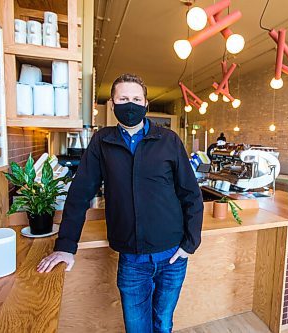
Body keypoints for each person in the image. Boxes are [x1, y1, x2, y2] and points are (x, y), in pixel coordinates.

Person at [36, 73, 204, 333]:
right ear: (113, 105)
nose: (131, 104)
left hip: (173, 255)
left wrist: (189, 244)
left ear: (146, 104)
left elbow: (191, 194)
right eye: (123, 98)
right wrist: (66, 245)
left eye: (136, 99)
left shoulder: (168, 141)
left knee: (164, 323)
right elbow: (79, 194)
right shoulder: (102, 142)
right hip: (132, 258)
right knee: (136, 328)